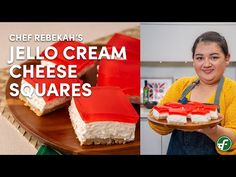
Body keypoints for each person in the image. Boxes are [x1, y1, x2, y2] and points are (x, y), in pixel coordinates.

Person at [148, 31, 236, 155]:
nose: (206, 64)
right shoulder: (181, 85)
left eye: (214, 57)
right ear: (193, 60)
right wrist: (173, 118)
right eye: (199, 58)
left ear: (227, 59)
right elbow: (158, 126)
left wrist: (213, 131)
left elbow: (231, 144)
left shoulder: (233, 91)